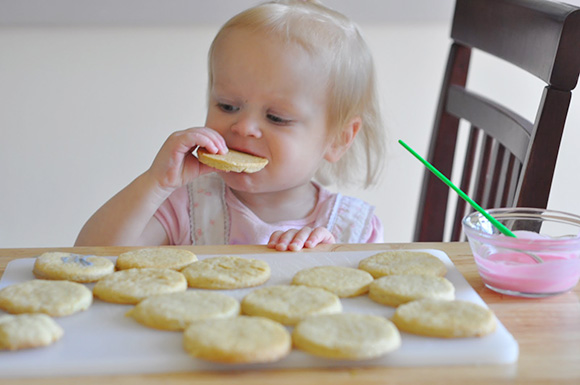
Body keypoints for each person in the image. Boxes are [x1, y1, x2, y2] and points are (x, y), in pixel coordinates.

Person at [75, 0, 386, 251]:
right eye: (227, 106)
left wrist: (329, 262)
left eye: (276, 117)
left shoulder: (353, 227)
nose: (244, 126)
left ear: (338, 139)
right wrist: (156, 183)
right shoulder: (189, 206)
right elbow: (89, 256)